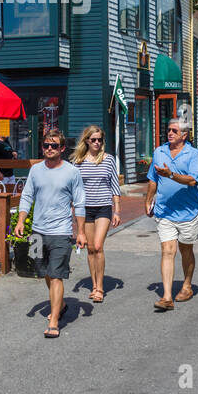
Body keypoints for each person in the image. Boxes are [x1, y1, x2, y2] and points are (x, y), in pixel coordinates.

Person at [14, 129, 87, 336]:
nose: (49, 149)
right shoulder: (35, 170)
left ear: (62, 148)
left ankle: (54, 321)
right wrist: (21, 221)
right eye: (46, 145)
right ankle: (60, 304)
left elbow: (79, 203)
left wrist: (81, 231)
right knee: (43, 271)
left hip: (61, 232)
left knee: (56, 275)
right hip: (38, 232)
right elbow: (27, 196)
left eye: (54, 145)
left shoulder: (72, 172)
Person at [145, 118, 198, 311]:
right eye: (168, 130)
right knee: (168, 250)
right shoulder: (159, 151)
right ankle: (167, 296)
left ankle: (187, 285)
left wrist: (171, 174)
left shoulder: (193, 154)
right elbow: (153, 179)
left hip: (188, 212)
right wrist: (148, 200)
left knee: (186, 250)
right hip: (165, 210)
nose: (169, 133)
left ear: (184, 135)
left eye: (174, 131)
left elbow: (193, 180)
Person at [71, 125, 120, 302]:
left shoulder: (108, 159)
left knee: (98, 246)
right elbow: (73, 187)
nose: (97, 143)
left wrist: (117, 210)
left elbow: (114, 185)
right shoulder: (78, 161)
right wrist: (72, 207)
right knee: (90, 249)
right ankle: (93, 285)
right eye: (93, 140)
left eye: (100, 140)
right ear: (87, 141)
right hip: (85, 209)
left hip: (103, 207)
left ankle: (100, 288)